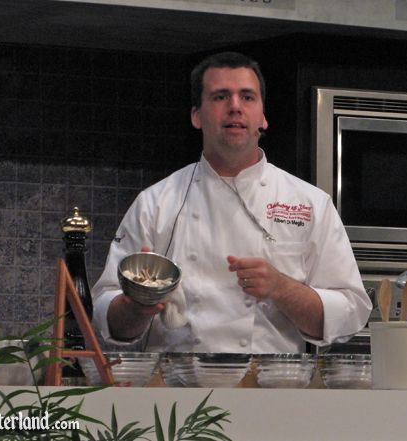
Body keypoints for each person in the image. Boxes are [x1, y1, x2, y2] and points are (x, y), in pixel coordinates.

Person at [92, 51, 371, 353]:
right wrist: (139, 304)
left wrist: (281, 288)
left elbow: (351, 313)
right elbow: (106, 318)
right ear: (196, 116)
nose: (235, 107)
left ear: (263, 117)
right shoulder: (155, 204)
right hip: (181, 393)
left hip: (274, 391)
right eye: (220, 97)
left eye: (248, 97)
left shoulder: (309, 203)